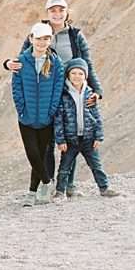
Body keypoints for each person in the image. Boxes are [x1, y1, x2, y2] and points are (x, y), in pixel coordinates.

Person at [2, 0, 104, 197]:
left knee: (72, 139)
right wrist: (6, 63)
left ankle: (68, 185)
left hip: (71, 92)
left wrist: (97, 90)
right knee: (47, 144)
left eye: (61, 10)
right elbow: (22, 59)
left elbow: (87, 64)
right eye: (53, 10)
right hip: (46, 95)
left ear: (67, 12)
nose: (57, 14)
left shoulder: (75, 36)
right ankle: (45, 184)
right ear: (47, 13)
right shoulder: (39, 32)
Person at [11, 22, 64, 207]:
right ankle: (47, 182)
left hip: (46, 119)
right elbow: (16, 88)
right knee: (32, 154)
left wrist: (51, 111)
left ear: (50, 40)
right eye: (39, 38)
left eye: (46, 39)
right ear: (31, 39)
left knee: (41, 155)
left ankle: (31, 194)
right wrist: (22, 109)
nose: (42, 42)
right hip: (26, 118)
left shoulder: (55, 62)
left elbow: (58, 88)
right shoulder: (21, 61)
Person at [52, 58, 120, 199]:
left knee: (96, 165)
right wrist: (60, 140)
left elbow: (97, 116)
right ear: (68, 76)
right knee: (64, 168)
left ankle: (104, 188)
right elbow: (58, 119)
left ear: (86, 76)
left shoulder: (90, 94)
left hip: (88, 139)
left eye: (80, 74)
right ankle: (60, 192)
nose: (77, 77)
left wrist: (98, 136)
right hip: (70, 140)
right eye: (74, 73)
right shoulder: (63, 95)